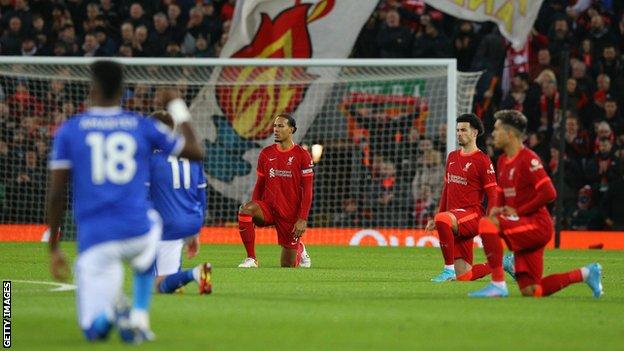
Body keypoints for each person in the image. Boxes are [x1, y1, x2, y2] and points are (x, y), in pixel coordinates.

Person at [46, 60, 204, 343]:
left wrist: (54, 246)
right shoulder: (140, 126)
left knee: (94, 332)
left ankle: (116, 315)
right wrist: (177, 106)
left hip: (97, 238)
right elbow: (195, 151)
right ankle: (139, 318)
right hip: (139, 232)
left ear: (91, 89)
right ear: (122, 91)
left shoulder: (71, 129)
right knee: (151, 231)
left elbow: (57, 193)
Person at [468, 110, 603, 298]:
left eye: (497, 129)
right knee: (532, 291)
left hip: (537, 225)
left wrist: (516, 212)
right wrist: (495, 210)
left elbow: (549, 192)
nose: (493, 134)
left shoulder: (528, 158)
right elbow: (500, 193)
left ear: (510, 134)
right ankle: (587, 273)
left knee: (486, 223)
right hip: (522, 225)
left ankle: (498, 284)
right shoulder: (502, 161)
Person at [427, 113, 497, 282]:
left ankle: (447, 270)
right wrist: (438, 215)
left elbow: (493, 193)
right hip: (454, 220)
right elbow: (447, 189)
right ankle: (502, 263)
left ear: (474, 133)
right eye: (458, 130)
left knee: (443, 219)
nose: (459, 133)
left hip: (472, 215)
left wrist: (491, 218)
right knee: (465, 276)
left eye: (464, 130)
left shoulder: (482, 160)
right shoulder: (452, 157)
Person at [237, 113, 313, 268]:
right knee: (245, 210)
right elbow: (260, 184)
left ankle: (299, 248)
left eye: (281, 126)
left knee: (287, 266)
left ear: (291, 130)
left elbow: (308, 190)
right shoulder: (266, 153)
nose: (276, 129)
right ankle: (251, 258)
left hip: (290, 214)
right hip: (269, 208)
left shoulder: (302, 155)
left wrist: (302, 218)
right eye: (275, 126)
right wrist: (255, 205)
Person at [148, 110, 211, 295]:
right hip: (190, 219)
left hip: (163, 222)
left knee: (156, 285)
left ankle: (195, 273)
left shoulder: (150, 158)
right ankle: (178, 280)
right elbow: (201, 195)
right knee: (166, 282)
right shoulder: (192, 155)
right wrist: (195, 230)